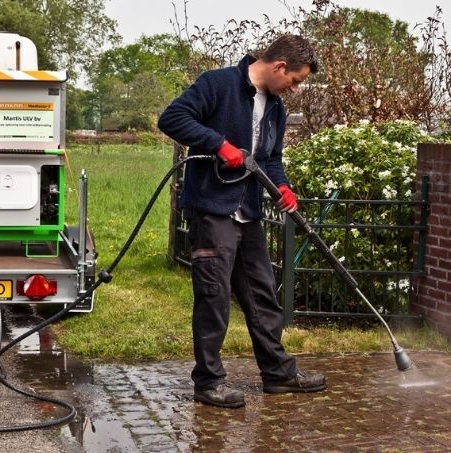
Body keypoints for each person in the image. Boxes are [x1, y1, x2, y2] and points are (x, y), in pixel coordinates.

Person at [158, 34, 326, 409]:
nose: (295, 89)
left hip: (247, 212)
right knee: (214, 297)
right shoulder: (217, 84)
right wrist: (218, 144)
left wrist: (282, 186)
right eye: (295, 80)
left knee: (262, 294)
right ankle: (209, 383)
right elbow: (171, 118)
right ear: (279, 66)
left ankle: (278, 375)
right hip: (211, 209)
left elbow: (270, 159)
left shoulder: (276, 108)